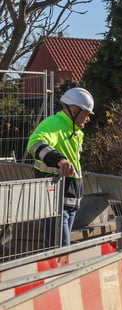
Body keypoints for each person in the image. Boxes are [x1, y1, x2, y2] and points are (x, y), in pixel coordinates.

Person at [27, 87, 94, 247]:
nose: (88, 119)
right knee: (61, 251)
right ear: (74, 110)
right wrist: (60, 160)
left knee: (61, 251)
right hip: (53, 203)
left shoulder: (75, 131)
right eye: (86, 113)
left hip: (68, 202)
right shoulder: (54, 124)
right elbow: (34, 144)